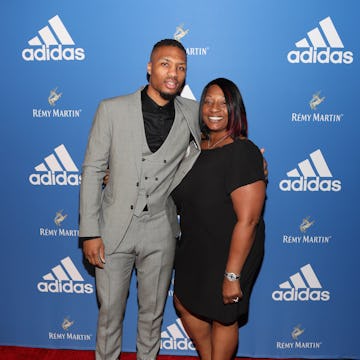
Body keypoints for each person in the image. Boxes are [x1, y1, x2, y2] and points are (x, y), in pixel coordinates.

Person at [79, 39, 201, 360]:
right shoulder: (112, 109)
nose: (173, 73)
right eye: (165, 64)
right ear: (149, 67)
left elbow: (223, 135)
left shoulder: (193, 112)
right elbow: (93, 170)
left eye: (181, 67)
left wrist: (250, 158)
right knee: (109, 316)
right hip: (113, 230)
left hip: (160, 230)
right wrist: (90, 232)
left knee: (152, 317)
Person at [172, 78, 266, 360]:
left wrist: (232, 275)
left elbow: (248, 221)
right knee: (183, 302)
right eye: (209, 101)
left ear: (235, 109)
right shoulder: (195, 148)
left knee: (224, 315)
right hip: (196, 244)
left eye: (224, 103)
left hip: (232, 250)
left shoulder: (243, 151)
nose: (214, 108)